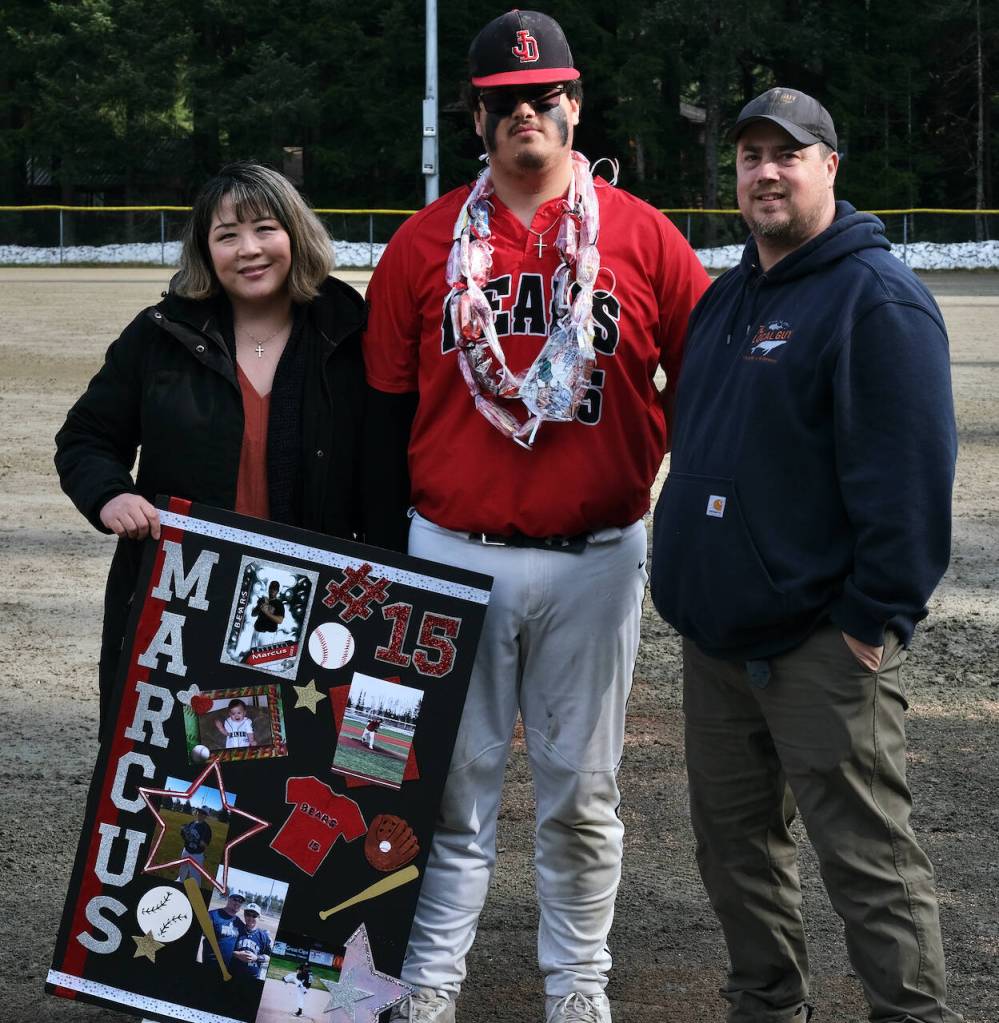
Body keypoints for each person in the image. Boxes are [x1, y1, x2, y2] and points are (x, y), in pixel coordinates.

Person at [364, 11, 708, 1022]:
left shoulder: (646, 236)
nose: (529, 113)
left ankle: (577, 988)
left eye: (546, 95)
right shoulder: (423, 245)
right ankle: (428, 985)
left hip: (597, 554)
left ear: (575, 104)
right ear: (477, 116)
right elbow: (386, 418)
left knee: (582, 796)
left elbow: (705, 397)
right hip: (451, 550)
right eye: (507, 100)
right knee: (447, 796)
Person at [650, 87, 961, 1023]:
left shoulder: (877, 300)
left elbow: (910, 480)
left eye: (787, 154)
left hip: (822, 645)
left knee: (867, 858)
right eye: (749, 156)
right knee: (734, 851)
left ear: (829, 166)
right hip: (717, 643)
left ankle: (910, 1015)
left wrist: (873, 618)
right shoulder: (727, 296)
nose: (765, 172)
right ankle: (767, 1006)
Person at [54, 162, 407, 738]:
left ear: (296, 233)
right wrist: (110, 494)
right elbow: (85, 437)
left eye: (265, 229)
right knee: (195, 775)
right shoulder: (160, 334)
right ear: (204, 249)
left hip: (317, 594)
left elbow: (395, 462)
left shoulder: (351, 333)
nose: (249, 249)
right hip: (193, 594)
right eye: (227, 235)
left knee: (303, 772)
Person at [204, 890, 247, 970]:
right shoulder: (212, 915)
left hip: (227, 969)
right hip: (209, 964)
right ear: (229, 898)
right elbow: (200, 940)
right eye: (235, 899)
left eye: (240, 901)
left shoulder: (239, 923)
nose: (237, 903)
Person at [230, 902, 273, 980]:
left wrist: (256, 958)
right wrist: (237, 954)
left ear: (259, 917)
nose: (250, 918)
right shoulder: (236, 930)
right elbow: (224, 949)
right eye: (248, 914)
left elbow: (269, 957)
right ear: (244, 915)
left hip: (252, 978)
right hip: (232, 974)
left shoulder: (264, 936)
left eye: (254, 915)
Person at [176, 805, 213, 882]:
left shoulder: (206, 828)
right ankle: (180, 880)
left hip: (197, 855)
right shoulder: (192, 823)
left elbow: (205, 844)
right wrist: (184, 832)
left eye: (203, 813)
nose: (200, 814)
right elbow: (185, 837)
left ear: (206, 816)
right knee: (182, 869)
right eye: (199, 811)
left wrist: (195, 839)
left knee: (195, 875)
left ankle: (195, 889)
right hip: (186, 851)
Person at [250, 579, 286, 649]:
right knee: (251, 655)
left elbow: (280, 621)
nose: (272, 590)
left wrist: (266, 612)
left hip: (267, 635)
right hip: (256, 631)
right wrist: (260, 606)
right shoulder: (262, 600)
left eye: (275, 589)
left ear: (277, 591)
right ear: (269, 589)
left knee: (261, 657)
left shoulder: (279, 604)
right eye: (271, 588)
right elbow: (253, 614)